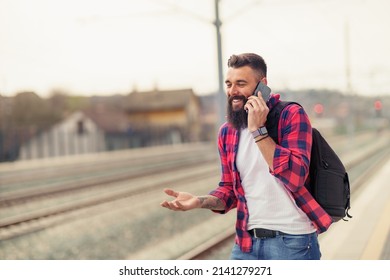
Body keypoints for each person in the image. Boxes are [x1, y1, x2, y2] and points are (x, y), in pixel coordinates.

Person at [160, 53, 333, 260]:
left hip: (292, 242)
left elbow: (295, 177)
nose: (233, 91)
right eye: (229, 84)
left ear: (263, 85)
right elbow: (228, 190)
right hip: (246, 244)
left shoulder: (291, 116)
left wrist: (258, 130)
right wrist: (199, 201)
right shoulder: (227, 132)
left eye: (241, 83)